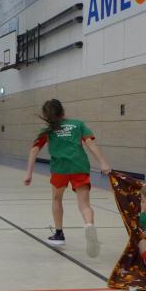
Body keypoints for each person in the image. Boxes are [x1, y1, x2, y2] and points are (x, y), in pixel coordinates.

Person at [24, 99, 110, 257]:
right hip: (79, 166)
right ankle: (89, 225)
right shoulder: (78, 124)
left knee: (57, 199)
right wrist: (103, 163)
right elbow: (90, 143)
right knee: (84, 204)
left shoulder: (47, 130)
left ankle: (59, 234)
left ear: (47, 115)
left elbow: (34, 150)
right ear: (63, 111)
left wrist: (29, 173)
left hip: (60, 169)